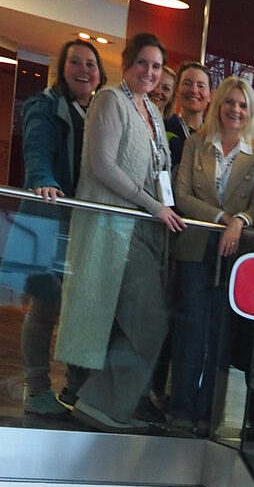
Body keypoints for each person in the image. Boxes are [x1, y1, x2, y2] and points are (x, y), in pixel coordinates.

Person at [57, 33, 183, 435]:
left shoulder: (150, 109)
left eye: (157, 66)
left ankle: (100, 403)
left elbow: (158, 174)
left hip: (143, 230)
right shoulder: (111, 99)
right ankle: (99, 404)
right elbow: (103, 166)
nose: (149, 71)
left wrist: (163, 209)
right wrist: (154, 206)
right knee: (149, 323)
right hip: (114, 230)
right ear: (127, 63)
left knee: (140, 323)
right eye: (143, 63)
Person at [19, 37, 104, 418]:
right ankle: (36, 387)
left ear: (100, 72)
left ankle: (76, 388)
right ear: (62, 68)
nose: (83, 70)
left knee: (83, 310)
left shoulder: (102, 111)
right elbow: (36, 148)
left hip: (87, 226)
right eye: (76, 62)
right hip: (48, 220)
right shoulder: (45, 106)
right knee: (44, 308)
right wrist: (42, 179)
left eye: (90, 64)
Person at [164, 60, 210, 168]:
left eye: (201, 85)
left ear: (210, 96)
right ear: (177, 91)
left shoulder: (214, 136)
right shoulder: (164, 126)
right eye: (187, 83)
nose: (194, 90)